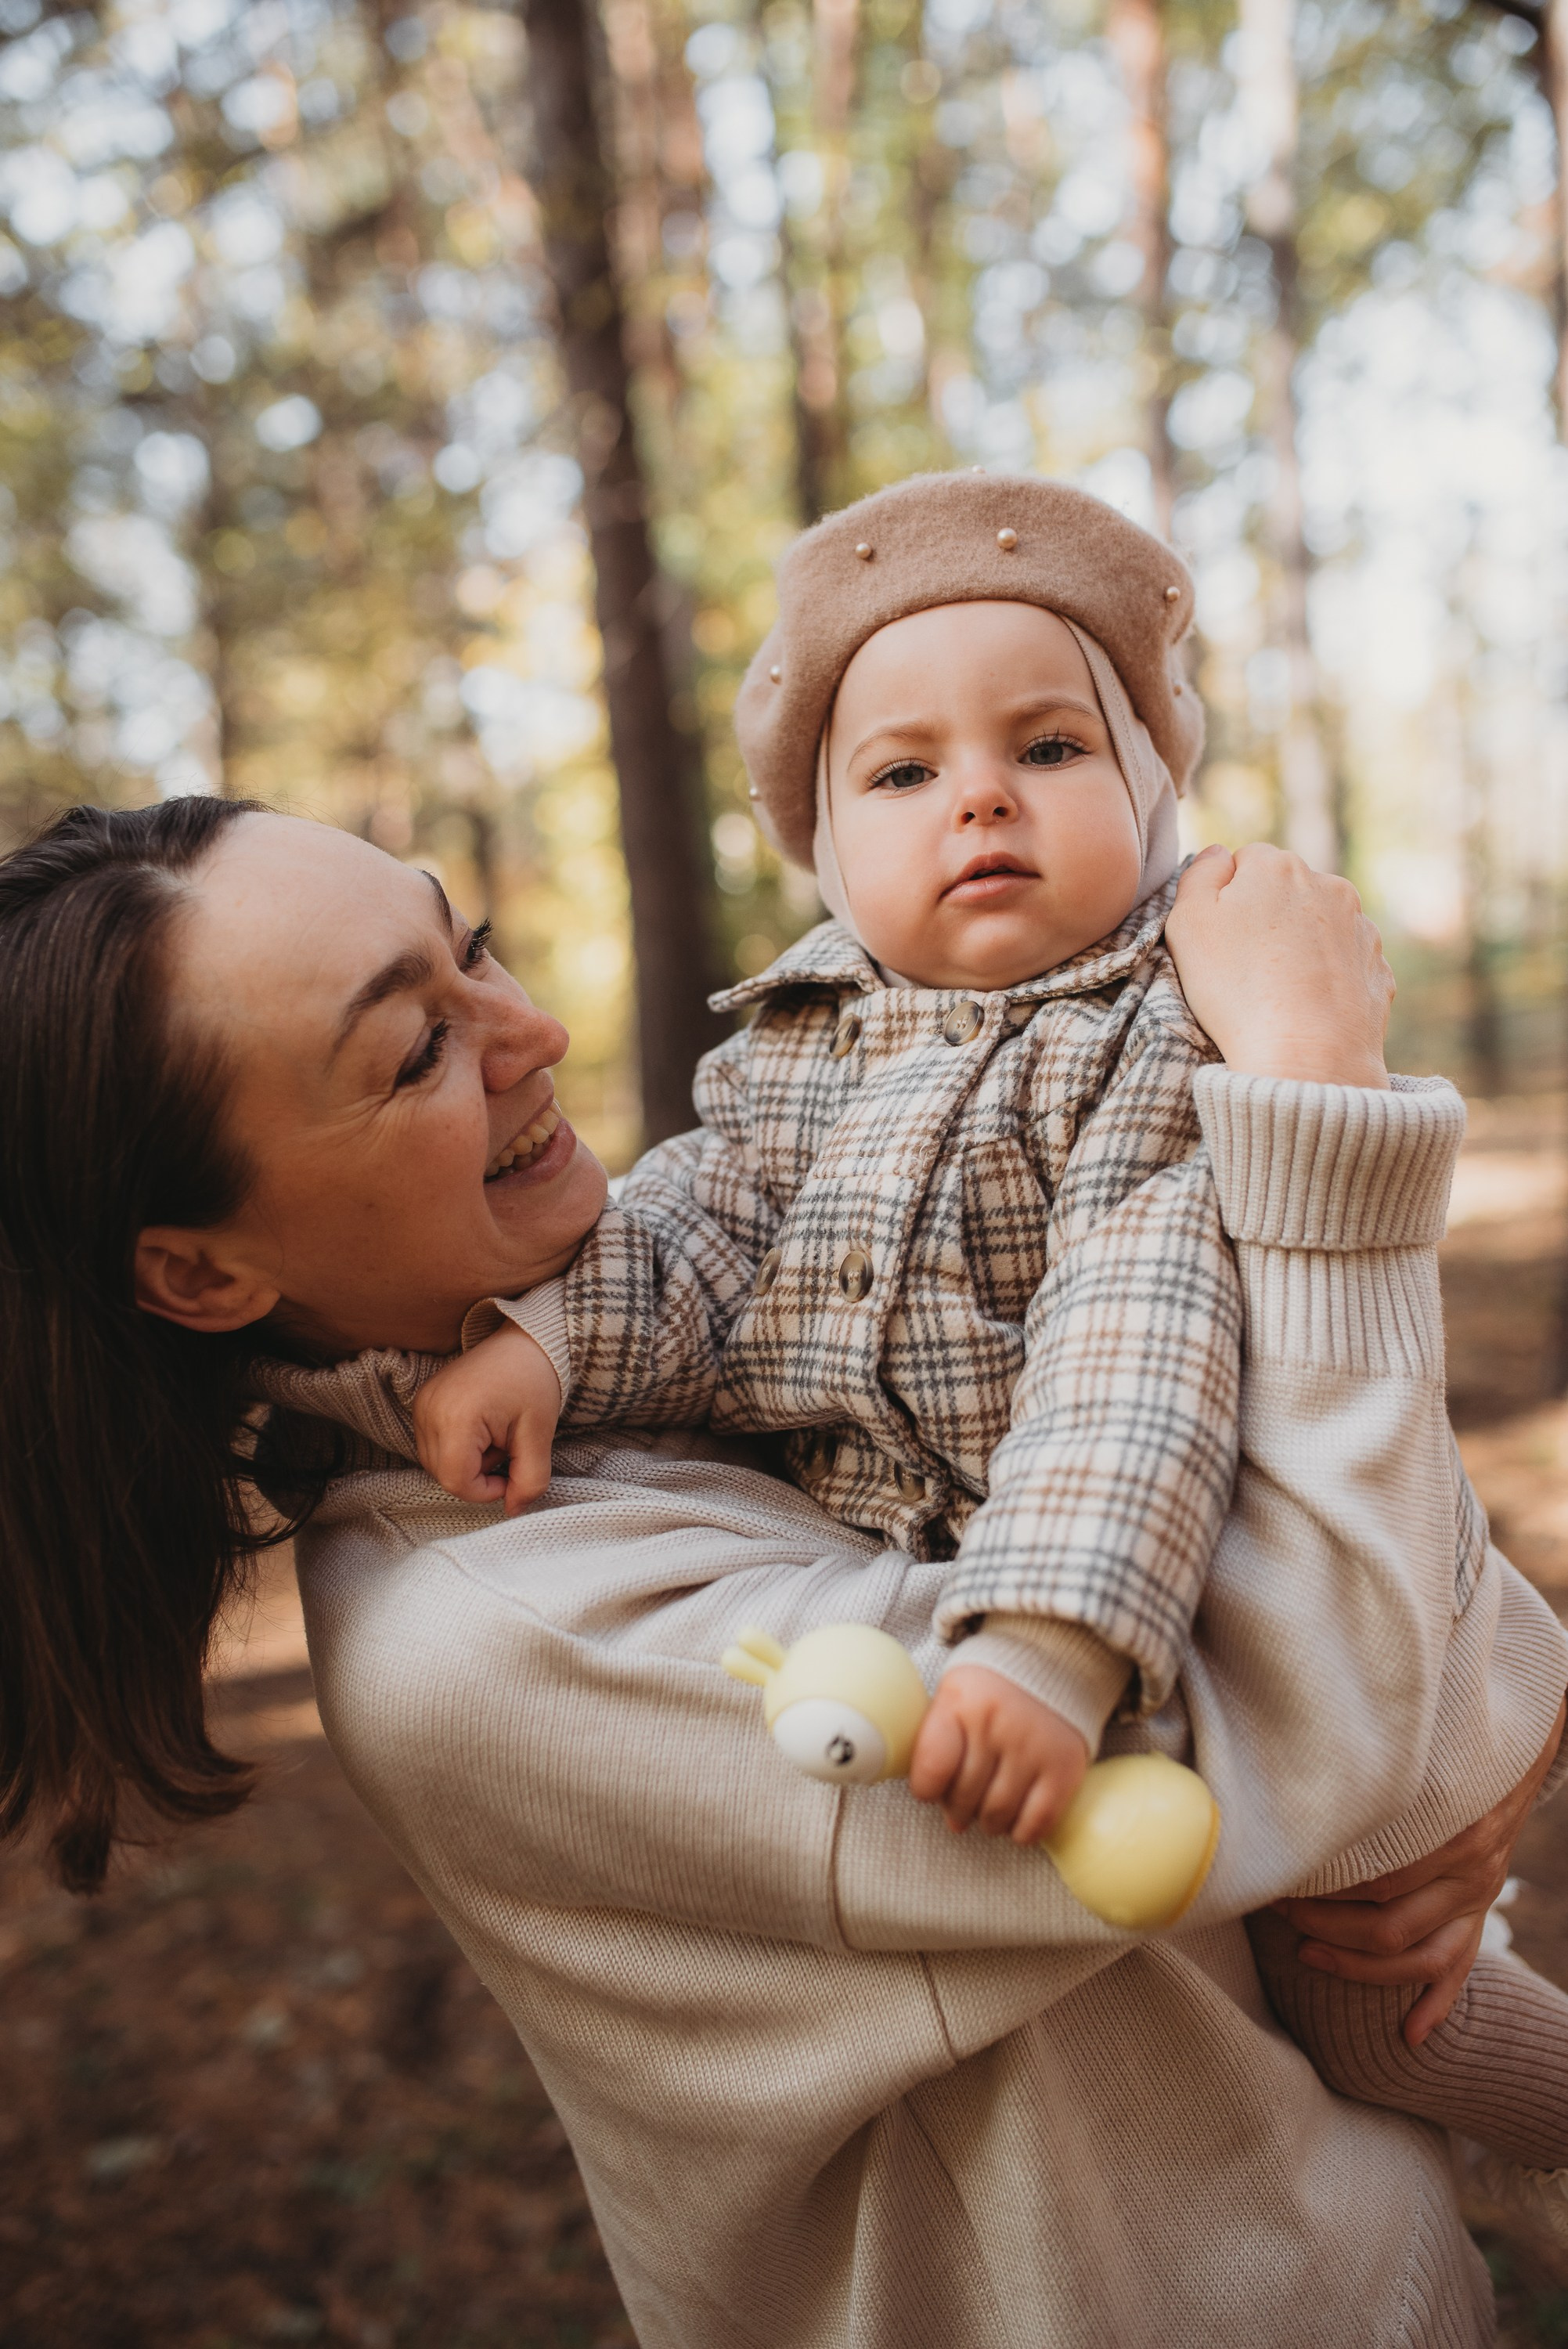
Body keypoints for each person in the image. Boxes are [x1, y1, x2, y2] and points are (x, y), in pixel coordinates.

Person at [0, 792, 1561, 2347]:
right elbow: (1312, 1730)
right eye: (414, 1052)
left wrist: (1488, 1726)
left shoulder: (699, 1322)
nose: (529, 1029)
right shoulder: (507, 1637)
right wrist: (1312, 1086)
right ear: (203, 1270)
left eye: (468, 946)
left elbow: (1220, 1534)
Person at [362, 474, 1568, 2195]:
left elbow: (1132, 1352)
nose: (982, 797)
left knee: (1392, 2004)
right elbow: (704, 1236)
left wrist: (1048, 1642)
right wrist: (553, 1341)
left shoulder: (1162, 1052)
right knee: (1344, 2030)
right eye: (905, 771)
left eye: (1053, 750)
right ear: (832, 847)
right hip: (1049, 1647)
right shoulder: (795, 1053)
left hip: (1189, 1582)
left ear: (1154, 792)